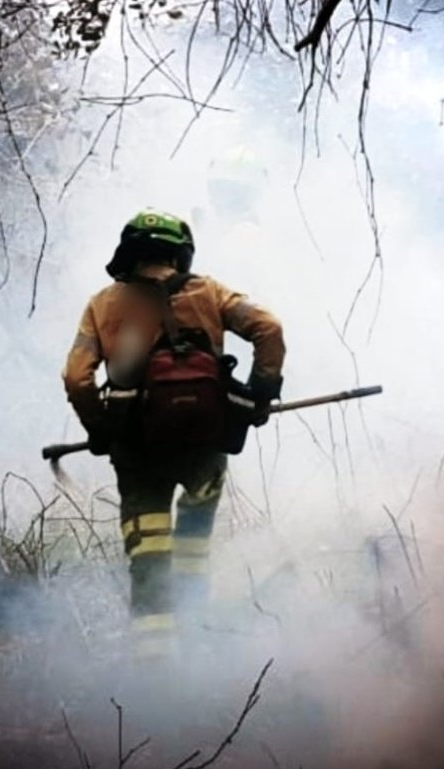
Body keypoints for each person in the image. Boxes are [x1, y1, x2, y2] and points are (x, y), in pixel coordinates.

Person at [63, 209, 285, 656]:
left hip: (138, 453)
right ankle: (196, 627)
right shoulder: (210, 293)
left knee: (149, 553)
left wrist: (100, 429)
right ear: (180, 253)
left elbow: (76, 378)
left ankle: (156, 668)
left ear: (130, 253)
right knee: (193, 539)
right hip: (205, 446)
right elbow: (269, 328)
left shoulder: (104, 305)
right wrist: (260, 394)